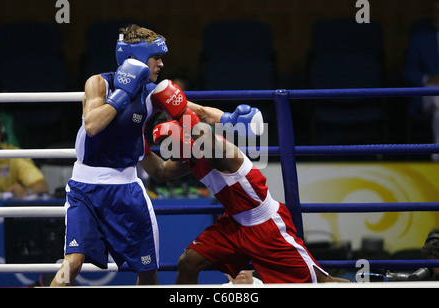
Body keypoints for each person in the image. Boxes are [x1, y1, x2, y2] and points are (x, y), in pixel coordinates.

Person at [49, 24, 260, 286]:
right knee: (73, 262)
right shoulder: (99, 83)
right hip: (85, 187)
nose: (161, 64)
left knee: (148, 270)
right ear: (135, 59)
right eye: (156, 58)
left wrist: (231, 119)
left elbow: (201, 113)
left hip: (126, 187)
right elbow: (92, 125)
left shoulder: (154, 93)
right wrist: (122, 95)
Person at [146, 80, 349, 284]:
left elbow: (203, 132)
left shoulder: (219, 151)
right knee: (188, 262)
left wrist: (177, 109)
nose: (168, 151)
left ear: (184, 137)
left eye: (169, 142)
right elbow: (160, 171)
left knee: (322, 282)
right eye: (163, 145)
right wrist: (136, 142)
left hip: (265, 226)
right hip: (234, 225)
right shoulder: (189, 157)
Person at [404, 0, 439, 159]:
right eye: (436, 11)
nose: (437, 15)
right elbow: (410, 71)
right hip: (429, 90)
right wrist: (429, 78)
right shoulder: (421, 39)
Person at [0, 115, 48, 199]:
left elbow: (42, 185)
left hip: (8, 210)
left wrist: (26, 191)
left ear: (2, 137)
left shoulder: (14, 155)